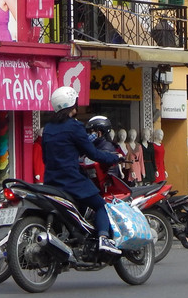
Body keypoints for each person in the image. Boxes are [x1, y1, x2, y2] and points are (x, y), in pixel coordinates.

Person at [41, 86, 125, 256]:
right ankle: (103, 238)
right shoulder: (75, 126)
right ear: (73, 105)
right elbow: (93, 154)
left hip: (50, 181)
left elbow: (50, 156)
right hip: (71, 180)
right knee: (100, 205)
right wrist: (115, 158)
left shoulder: (48, 128)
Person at [85, 115, 125, 182]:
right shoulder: (95, 145)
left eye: (91, 132)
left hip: (104, 186)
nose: (89, 135)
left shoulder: (106, 148)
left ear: (99, 133)